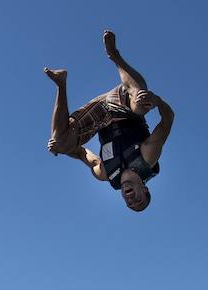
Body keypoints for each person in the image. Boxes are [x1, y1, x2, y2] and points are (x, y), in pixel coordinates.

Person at [45, 30, 174, 212]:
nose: (131, 200)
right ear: (144, 189)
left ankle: (61, 83)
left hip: (99, 117)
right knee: (142, 102)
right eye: (139, 200)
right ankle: (114, 55)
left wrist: (61, 149)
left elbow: (82, 154)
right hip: (122, 105)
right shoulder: (148, 157)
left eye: (130, 204)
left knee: (60, 142)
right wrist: (157, 101)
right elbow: (168, 120)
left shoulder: (105, 174)